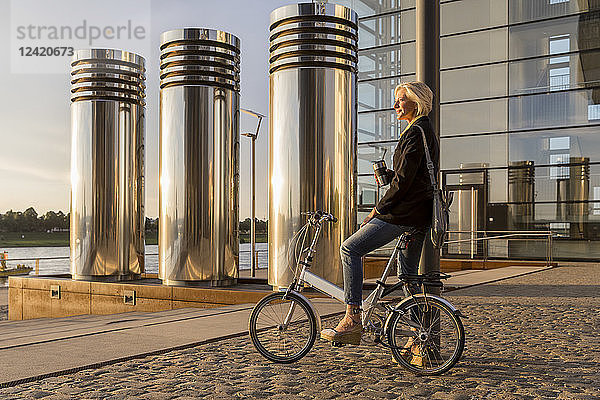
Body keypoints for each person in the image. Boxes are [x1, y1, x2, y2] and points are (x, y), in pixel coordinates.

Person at [320, 81, 439, 347]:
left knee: (350, 249)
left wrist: (378, 208)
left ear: (416, 102)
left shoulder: (415, 131)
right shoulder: (423, 130)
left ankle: (352, 318)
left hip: (404, 215)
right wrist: (388, 176)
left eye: (400, 99)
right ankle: (423, 338)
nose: (395, 105)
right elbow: (409, 177)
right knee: (408, 278)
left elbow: (404, 183)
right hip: (419, 216)